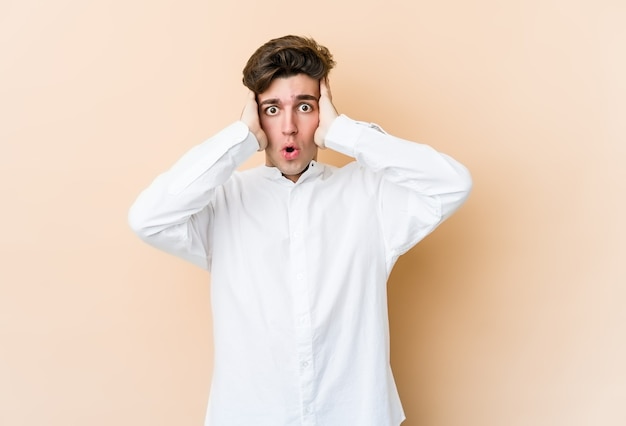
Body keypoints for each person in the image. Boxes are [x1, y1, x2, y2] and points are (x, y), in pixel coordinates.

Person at [128, 35, 472, 426]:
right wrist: (240, 139)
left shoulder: (369, 194)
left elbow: (452, 183)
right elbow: (147, 218)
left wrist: (345, 133)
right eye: (272, 109)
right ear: (256, 118)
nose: (289, 128)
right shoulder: (222, 202)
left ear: (322, 114)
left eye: (304, 107)